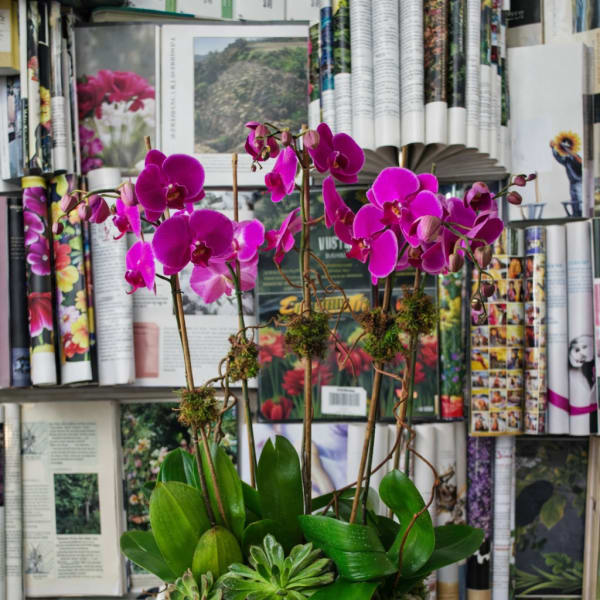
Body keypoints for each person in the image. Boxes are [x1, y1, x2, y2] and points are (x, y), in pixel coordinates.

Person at [550, 133, 583, 216]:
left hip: (581, 183)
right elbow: (558, 157)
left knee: (579, 199)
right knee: (574, 200)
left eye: (567, 147)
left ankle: (580, 214)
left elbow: (579, 161)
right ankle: (576, 214)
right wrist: (553, 148)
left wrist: (565, 148)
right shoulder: (567, 160)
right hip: (573, 183)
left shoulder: (577, 157)